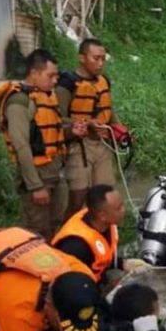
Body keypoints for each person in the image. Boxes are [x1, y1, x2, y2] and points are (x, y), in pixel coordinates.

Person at [0, 49, 75, 239]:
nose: (55, 80)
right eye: (51, 75)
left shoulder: (45, 95)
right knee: (35, 230)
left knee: (56, 224)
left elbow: (48, 132)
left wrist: (73, 129)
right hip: (38, 175)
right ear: (34, 73)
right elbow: (21, 145)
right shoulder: (19, 101)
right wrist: (35, 186)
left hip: (55, 171)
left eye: (57, 75)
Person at [57, 38, 122, 219]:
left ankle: (102, 237)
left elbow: (109, 109)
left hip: (103, 144)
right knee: (77, 199)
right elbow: (58, 119)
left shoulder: (104, 82)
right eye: (95, 58)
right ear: (82, 58)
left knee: (105, 196)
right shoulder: (66, 84)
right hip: (79, 146)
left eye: (103, 59)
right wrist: (88, 123)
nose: (100, 63)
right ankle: (68, 238)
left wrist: (118, 129)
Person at [52, 184, 149, 284]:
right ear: (102, 215)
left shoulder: (101, 221)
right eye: (118, 208)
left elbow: (102, 255)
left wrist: (123, 263)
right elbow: (71, 286)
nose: (123, 210)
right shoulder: (77, 246)